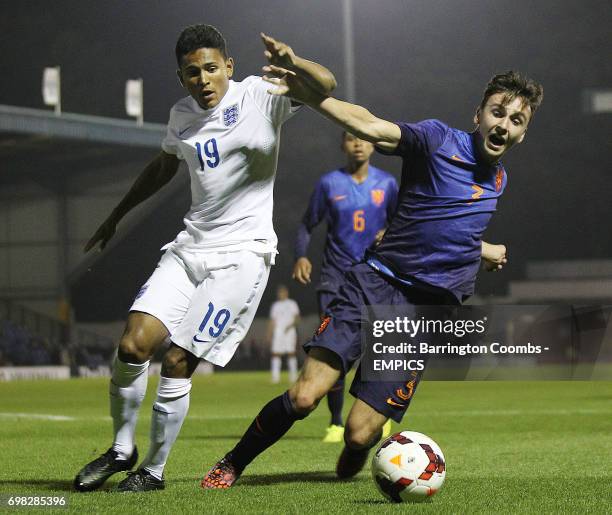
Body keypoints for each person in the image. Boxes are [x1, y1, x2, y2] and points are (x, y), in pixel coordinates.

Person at [201, 35, 541, 489]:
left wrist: (485, 249)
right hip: (373, 284)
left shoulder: (498, 179)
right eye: (498, 112)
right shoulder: (438, 139)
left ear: (523, 132)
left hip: (423, 314)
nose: (504, 124)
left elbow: (448, 225)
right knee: (304, 396)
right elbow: (371, 125)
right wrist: (316, 99)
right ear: (478, 116)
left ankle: (356, 450)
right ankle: (233, 462)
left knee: (362, 432)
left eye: (516, 120)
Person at [73, 25, 336, 492]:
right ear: (181, 78)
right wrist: (116, 213)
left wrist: (293, 62)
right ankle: (120, 448)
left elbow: (326, 86)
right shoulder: (181, 115)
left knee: (177, 361)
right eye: (192, 73)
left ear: (229, 67)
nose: (203, 80)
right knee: (133, 344)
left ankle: (152, 471)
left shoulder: (261, 94)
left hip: (243, 258)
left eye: (212, 68)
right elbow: (164, 165)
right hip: (190, 248)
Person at [293, 131, 398, 442]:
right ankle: (336, 422)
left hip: (375, 278)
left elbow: (403, 222)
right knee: (332, 350)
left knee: (375, 350)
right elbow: (305, 224)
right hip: (334, 280)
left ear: (374, 144)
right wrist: (300, 256)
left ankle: (374, 413)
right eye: (352, 138)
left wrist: (388, 233)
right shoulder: (329, 184)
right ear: (343, 144)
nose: (358, 144)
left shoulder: (388, 184)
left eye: (364, 139)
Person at [267, 285, 300, 384]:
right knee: (276, 353)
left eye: (283, 292)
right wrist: (269, 333)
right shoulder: (275, 305)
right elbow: (272, 321)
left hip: (290, 331)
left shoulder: (292, 304)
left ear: (286, 293)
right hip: (278, 331)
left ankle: (293, 377)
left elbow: (297, 318)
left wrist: (290, 326)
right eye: (280, 292)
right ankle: (275, 377)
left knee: (291, 353)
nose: (281, 294)